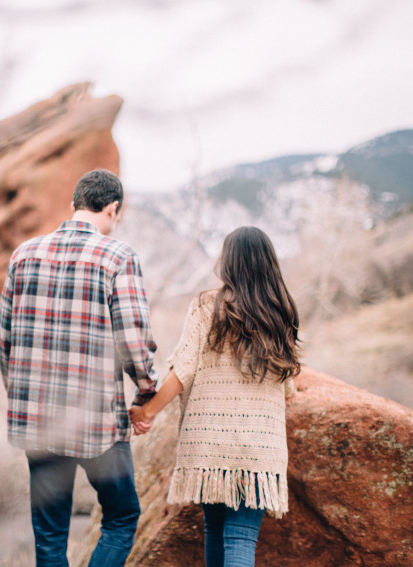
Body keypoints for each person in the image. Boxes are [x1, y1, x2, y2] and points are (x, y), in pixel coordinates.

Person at [0, 168, 158, 566]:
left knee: (50, 535)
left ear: (73, 207)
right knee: (122, 518)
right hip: (96, 421)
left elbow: (6, 343)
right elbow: (134, 342)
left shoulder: (23, 254)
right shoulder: (118, 256)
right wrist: (145, 394)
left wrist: (23, 397)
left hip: (36, 419)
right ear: (113, 208)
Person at [129, 226, 300, 567]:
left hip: (210, 444)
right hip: (258, 450)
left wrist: (148, 411)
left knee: (215, 529)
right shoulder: (281, 312)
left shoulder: (208, 305)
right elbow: (288, 387)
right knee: (240, 538)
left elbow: (184, 368)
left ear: (229, 262)